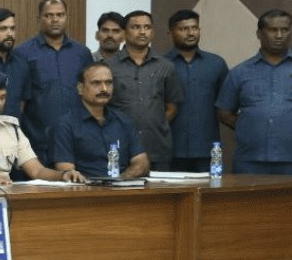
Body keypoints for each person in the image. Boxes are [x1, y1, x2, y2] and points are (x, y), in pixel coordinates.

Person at [18, 0, 93, 166]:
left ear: (66, 17)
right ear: (39, 19)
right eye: (49, 15)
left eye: (60, 15)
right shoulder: (23, 53)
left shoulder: (82, 53)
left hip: (77, 142)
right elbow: (19, 101)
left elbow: (90, 96)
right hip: (37, 142)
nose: (55, 19)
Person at [216, 9, 292, 175]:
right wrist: (247, 125)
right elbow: (223, 112)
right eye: (273, 30)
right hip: (249, 161)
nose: (279, 35)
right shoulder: (240, 72)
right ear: (259, 34)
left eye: (285, 30)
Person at [105, 10, 183, 171]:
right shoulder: (108, 66)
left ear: (152, 32)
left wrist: (155, 123)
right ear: (124, 33)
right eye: (136, 27)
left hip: (157, 148)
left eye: (147, 27)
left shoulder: (166, 66)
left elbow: (172, 106)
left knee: (160, 188)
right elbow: (101, 106)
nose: (142, 32)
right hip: (119, 148)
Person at [52, 62, 149, 178]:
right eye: (96, 83)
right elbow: (66, 171)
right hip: (85, 187)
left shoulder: (123, 120)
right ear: (80, 88)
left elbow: (142, 163)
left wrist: (120, 181)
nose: (104, 89)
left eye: (109, 83)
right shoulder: (66, 124)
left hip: (123, 185)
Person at [165, 9, 228, 172]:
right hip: (170, 149)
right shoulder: (161, 65)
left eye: (194, 28)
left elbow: (226, 106)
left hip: (207, 150)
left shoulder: (216, 64)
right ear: (170, 33)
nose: (190, 33)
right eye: (183, 29)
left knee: (210, 189)